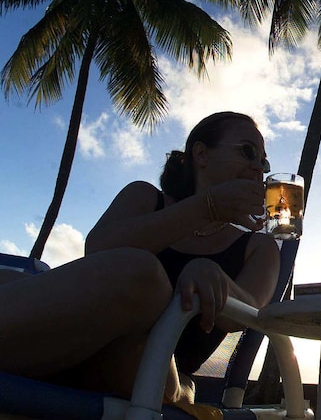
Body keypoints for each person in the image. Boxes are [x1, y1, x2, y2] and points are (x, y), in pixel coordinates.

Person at [0, 111, 280, 404]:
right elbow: (98, 251)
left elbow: (248, 314)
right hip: (74, 337)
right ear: (201, 154)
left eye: (263, 161)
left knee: (144, 277)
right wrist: (205, 208)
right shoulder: (145, 198)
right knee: (11, 278)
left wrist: (212, 274)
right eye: (248, 152)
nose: (257, 168)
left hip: (149, 371)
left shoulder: (258, 247)